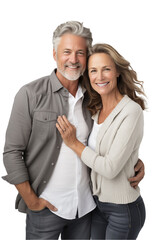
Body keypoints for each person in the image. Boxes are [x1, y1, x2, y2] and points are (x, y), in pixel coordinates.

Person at [2, 21, 144, 240]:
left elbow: (107, 138)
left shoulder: (94, 96)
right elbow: (12, 152)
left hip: (87, 208)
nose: (73, 59)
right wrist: (31, 200)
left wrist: (133, 162)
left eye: (80, 53)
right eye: (66, 52)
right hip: (46, 208)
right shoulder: (30, 94)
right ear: (54, 54)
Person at [56, 43, 146, 239]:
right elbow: (112, 150)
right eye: (93, 71)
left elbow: (110, 168)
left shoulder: (131, 111)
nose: (100, 77)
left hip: (124, 210)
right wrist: (135, 162)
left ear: (117, 72)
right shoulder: (94, 111)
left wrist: (74, 144)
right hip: (98, 206)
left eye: (106, 69)